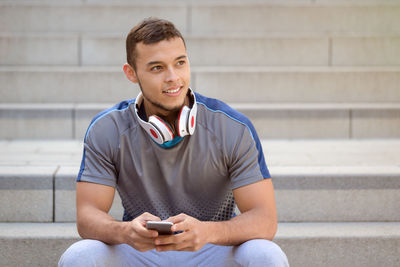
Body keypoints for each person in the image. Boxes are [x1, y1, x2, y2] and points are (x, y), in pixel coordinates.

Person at [58, 17, 289, 267]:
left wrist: (209, 232)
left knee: (267, 255)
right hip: (142, 251)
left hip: (212, 248)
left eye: (180, 63)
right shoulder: (107, 129)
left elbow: (265, 219)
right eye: (157, 68)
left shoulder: (232, 127)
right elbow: (88, 216)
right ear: (131, 73)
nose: (173, 77)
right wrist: (125, 232)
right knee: (79, 256)